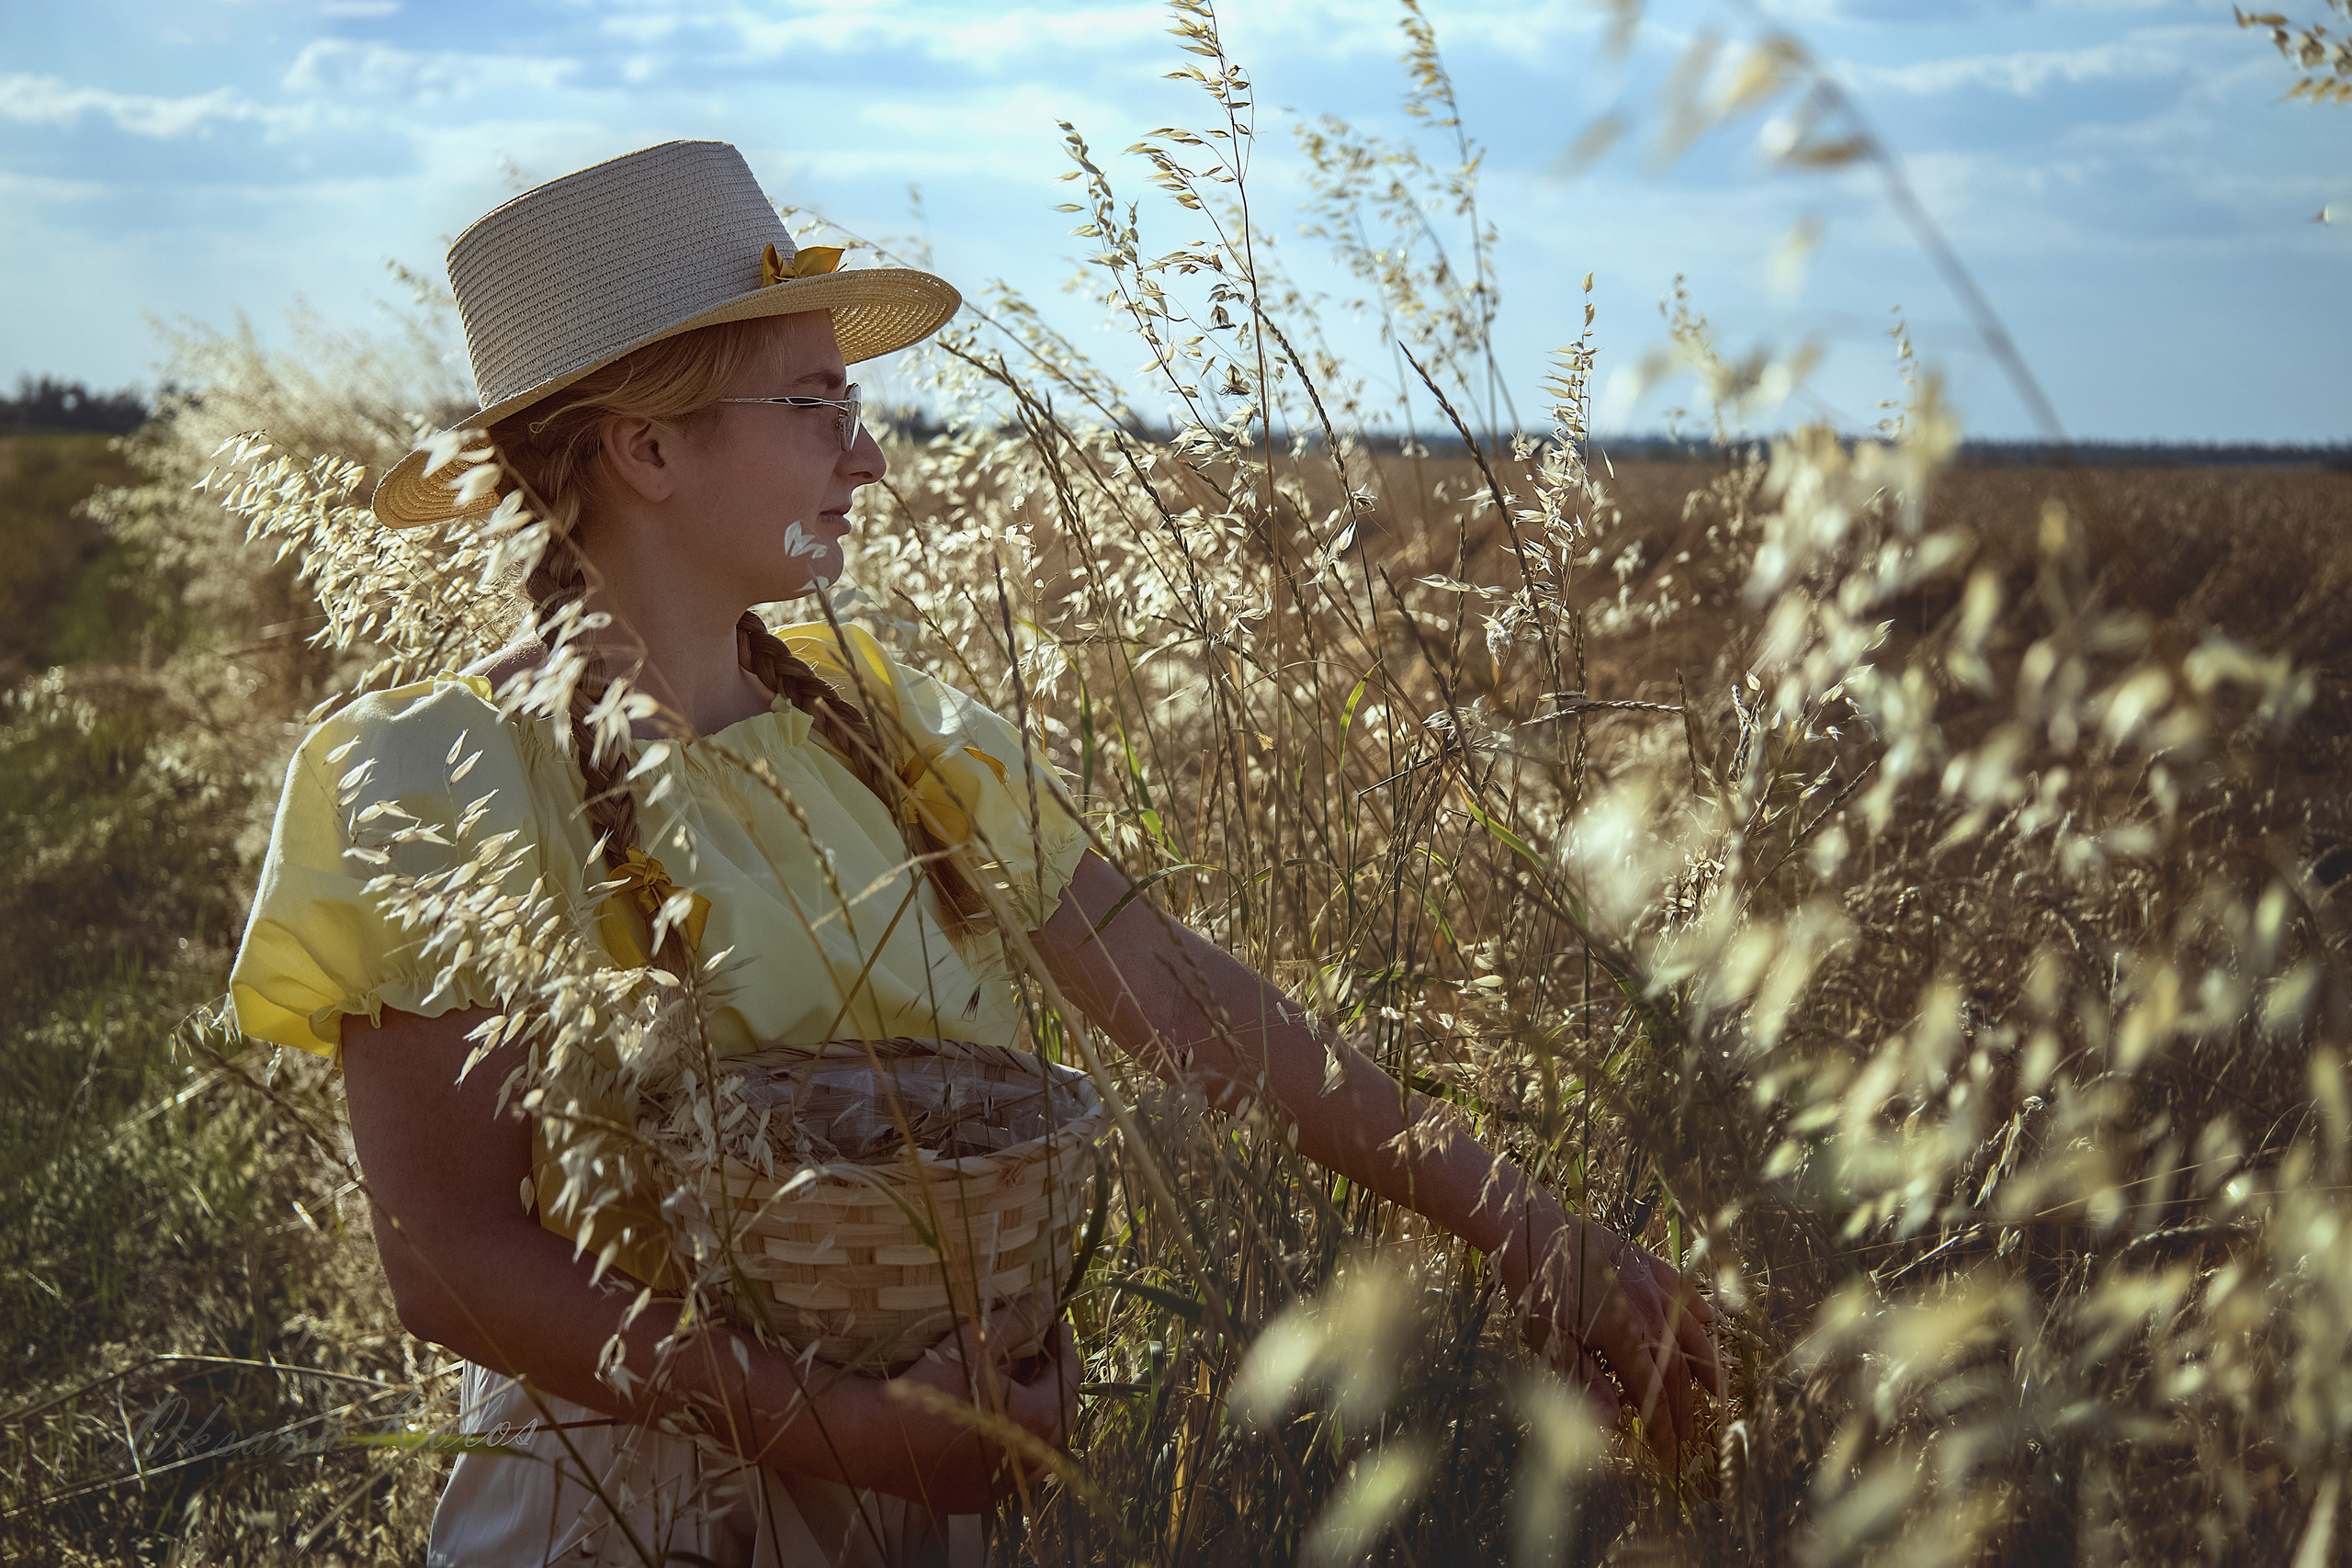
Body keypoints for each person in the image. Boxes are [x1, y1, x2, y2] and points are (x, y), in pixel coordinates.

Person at [227, 140, 1720, 1568]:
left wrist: (1529, 1229)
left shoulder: (882, 727)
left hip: (949, 1485)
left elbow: (1177, 993)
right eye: (815, 403)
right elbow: (450, 1262)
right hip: (637, 1511)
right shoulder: (431, 775)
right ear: (648, 448)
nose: (867, 458)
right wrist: (844, 1430)